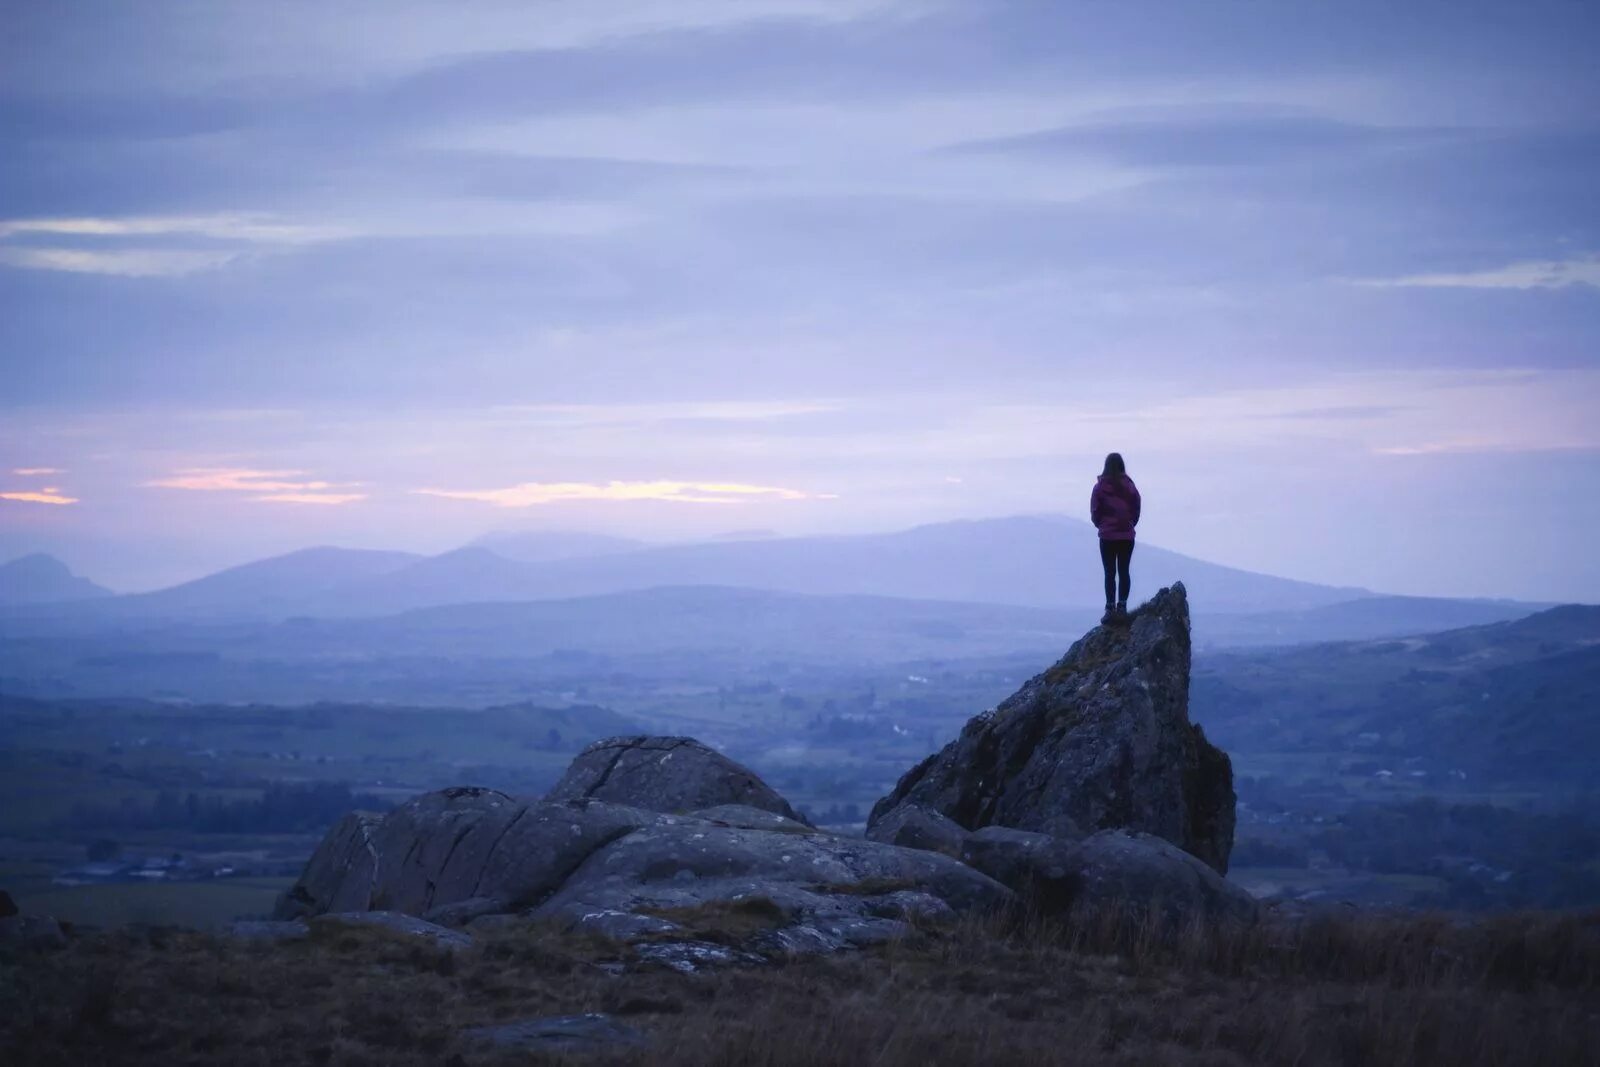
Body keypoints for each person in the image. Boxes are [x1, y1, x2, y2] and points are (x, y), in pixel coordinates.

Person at [1090, 452, 1140, 623]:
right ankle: (1122, 606)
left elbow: (1095, 512)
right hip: (1126, 535)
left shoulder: (1099, 488)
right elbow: (1136, 508)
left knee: (1109, 572)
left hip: (1107, 536)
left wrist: (1102, 525)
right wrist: (1130, 524)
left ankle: (1110, 607)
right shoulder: (1130, 487)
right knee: (1124, 570)